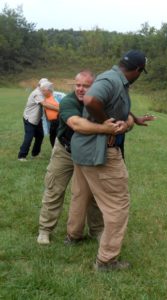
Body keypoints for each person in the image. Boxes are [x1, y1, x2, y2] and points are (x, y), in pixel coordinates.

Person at [65, 50, 155, 271]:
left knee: (81, 194)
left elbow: (113, 103)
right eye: (141, 72)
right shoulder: (112, 79)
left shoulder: (113, 79)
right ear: (137, 70)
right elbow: (91, 99)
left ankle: (74, 235)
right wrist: (107, 123)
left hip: (83, 151)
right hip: (101, 152)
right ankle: (106, 260)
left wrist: (134, 118)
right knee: (118, 205)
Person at [37, 70, 124, 245]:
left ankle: (97, 230)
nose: (80, 89)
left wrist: (122, 123)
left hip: (89, 153)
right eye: (78, 85)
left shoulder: (101, 101)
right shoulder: (69, 101)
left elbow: (120, 115)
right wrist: (106, 129)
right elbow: (77, 124)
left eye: (86, 86)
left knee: (93, 193)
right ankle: (45, 230)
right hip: (66, 151)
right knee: (55, 188)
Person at [18, 79, 59, 161]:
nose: (46, 88)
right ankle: (21, 156)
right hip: (30, 119)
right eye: (45, 86)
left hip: (37, 118)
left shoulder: (43, 92)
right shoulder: (37, 93)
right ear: (40, 85)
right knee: (29, 137)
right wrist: (59, 109)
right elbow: (45, 104)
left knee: (40, 136)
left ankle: (35, 154)